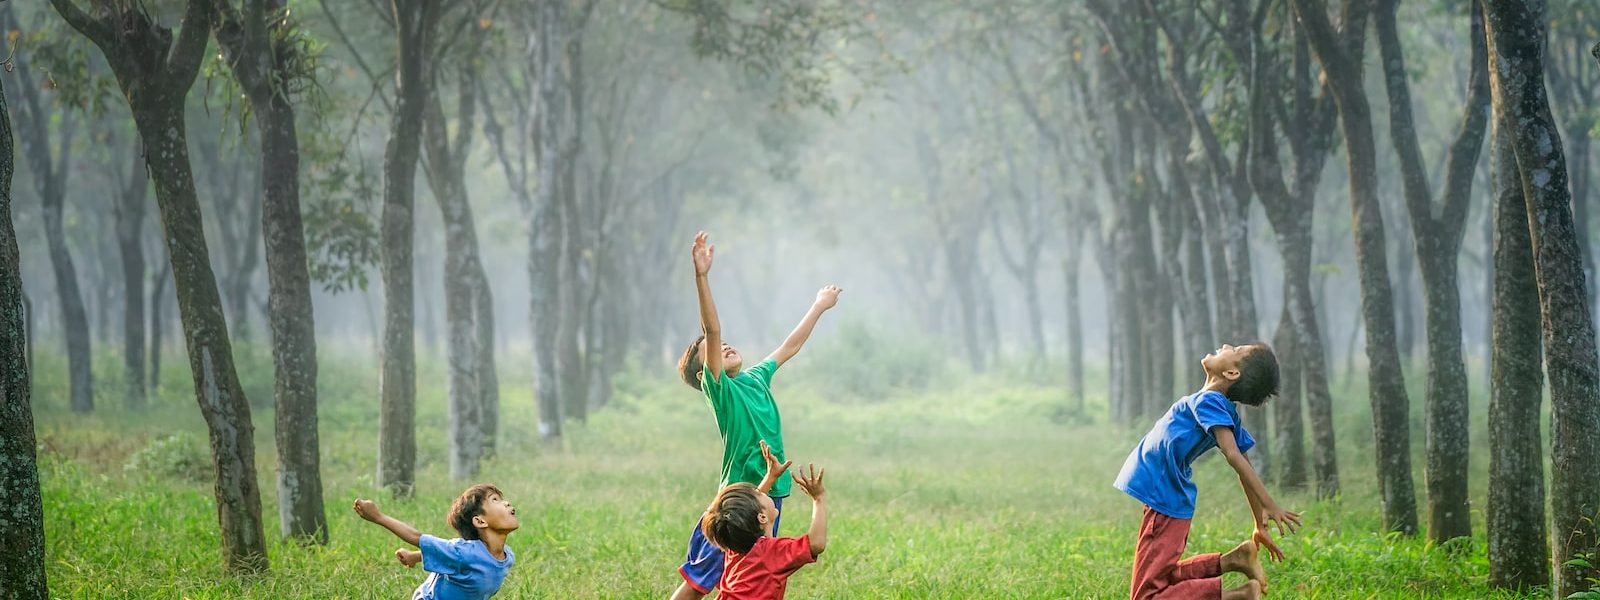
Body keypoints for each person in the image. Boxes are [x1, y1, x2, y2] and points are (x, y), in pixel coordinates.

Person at [671, 231, 841, 599]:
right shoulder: (721, 390)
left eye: (722, 346)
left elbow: (790, 345)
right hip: (735, 503)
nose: (723, 345)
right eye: (711, 350)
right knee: (700, 582)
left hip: (770, 493)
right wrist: (702, 277)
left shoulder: (757, 378)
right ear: (705, 374)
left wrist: (818, 305)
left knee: (752, 577)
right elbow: (712, 329)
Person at [1113, 343, 1301, 600]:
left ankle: (1239, 596)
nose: (1226, 345)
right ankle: (1235, 560)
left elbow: (1235, 457)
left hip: (1164, 498)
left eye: (1235, 350)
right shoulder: (1220, 408)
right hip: (1166, 496)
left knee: (1147, 596)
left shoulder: (1209, 402)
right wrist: (1259, 522)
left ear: (1232, 374)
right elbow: (1243, 465)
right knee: (1163, 576)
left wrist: (1269, 504)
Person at [354, 484, 519, 599]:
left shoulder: (507, 556)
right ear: (480, 521)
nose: (507, 502)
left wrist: (414, 556)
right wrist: (378, 517)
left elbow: (446, 553)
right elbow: (416, 537)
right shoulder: (464, 553)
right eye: (495, 500)